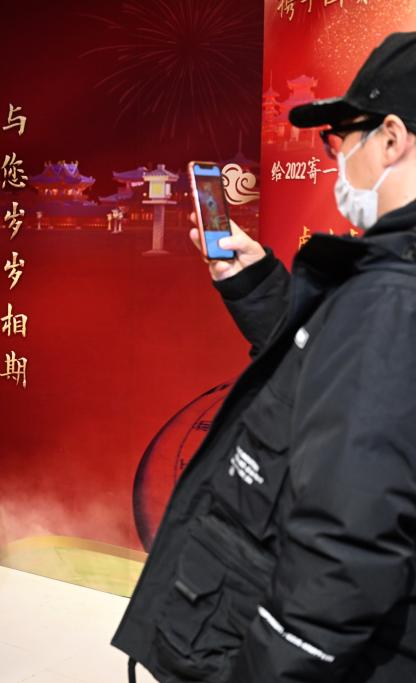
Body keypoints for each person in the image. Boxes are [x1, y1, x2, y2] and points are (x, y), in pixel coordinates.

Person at [113, 32, 416, 682]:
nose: (337, 158)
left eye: (340, 139)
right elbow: (331, 377)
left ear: (391, 139)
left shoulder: (391, 299)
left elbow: (344, 552)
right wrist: (254, 282)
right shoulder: (387, 288)